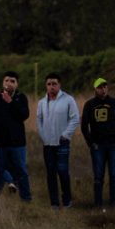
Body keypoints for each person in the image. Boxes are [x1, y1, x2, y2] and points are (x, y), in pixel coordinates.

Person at [0, 71, 32, 202]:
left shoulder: (21, 97)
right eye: (7, 80)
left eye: (12, 81)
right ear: (2, 82)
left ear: (17, 84)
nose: (9, 83)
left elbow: (24, 115)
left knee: (21, 171)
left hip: (17, 143)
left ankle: (26, 198)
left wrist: (11, 102)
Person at [36, 73, 80, 209]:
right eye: (49, 84)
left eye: (54, 84)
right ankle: (54, 203)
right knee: (50, 173)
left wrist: (66, 134)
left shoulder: (68, 99)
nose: (51, 87)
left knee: (62, 171)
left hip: (62, 142)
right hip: (47, 144)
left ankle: (67, 201)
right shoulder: (42, 102)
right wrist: (43, 135)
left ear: (59, 85)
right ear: (46, 86)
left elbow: (75, 118)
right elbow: (39, 119)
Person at [81, 77, 115, 207]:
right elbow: (84, 126)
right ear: (95, 89)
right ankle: (98, 204)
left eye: (105, 86)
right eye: (100, 87)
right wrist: (90, 142)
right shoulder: (90, 104)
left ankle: (114, 204)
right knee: (98, 177)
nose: (103, 89)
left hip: (114, 145)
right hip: (98, 145)